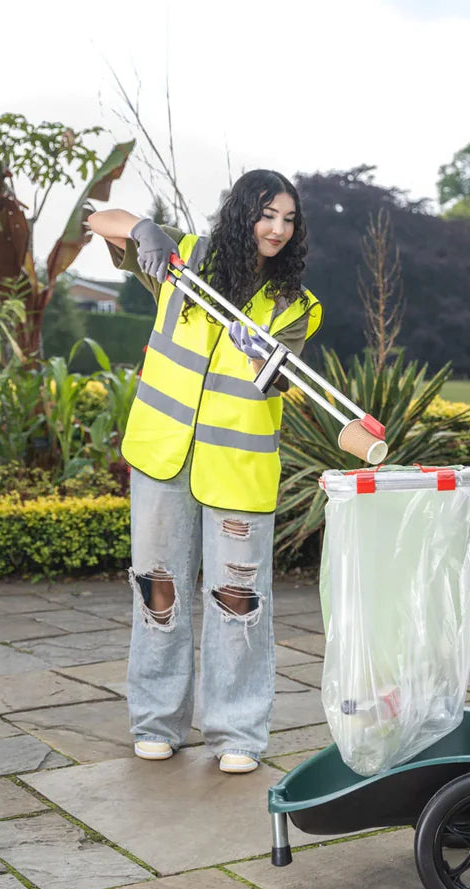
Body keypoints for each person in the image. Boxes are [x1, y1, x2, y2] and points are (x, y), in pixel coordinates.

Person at [88, 170, 322, 774]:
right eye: (267, 214)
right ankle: (157, 721)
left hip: (238, 468)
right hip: (163, 455)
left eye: (288, 219)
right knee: (157, 589)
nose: (277, 228)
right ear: (243, 213)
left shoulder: (296, 306)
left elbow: (278, 379)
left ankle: (237, 733)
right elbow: (99, 218)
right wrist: (144, 230)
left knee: (238, 602)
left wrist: (264, 359)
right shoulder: (182, 260)